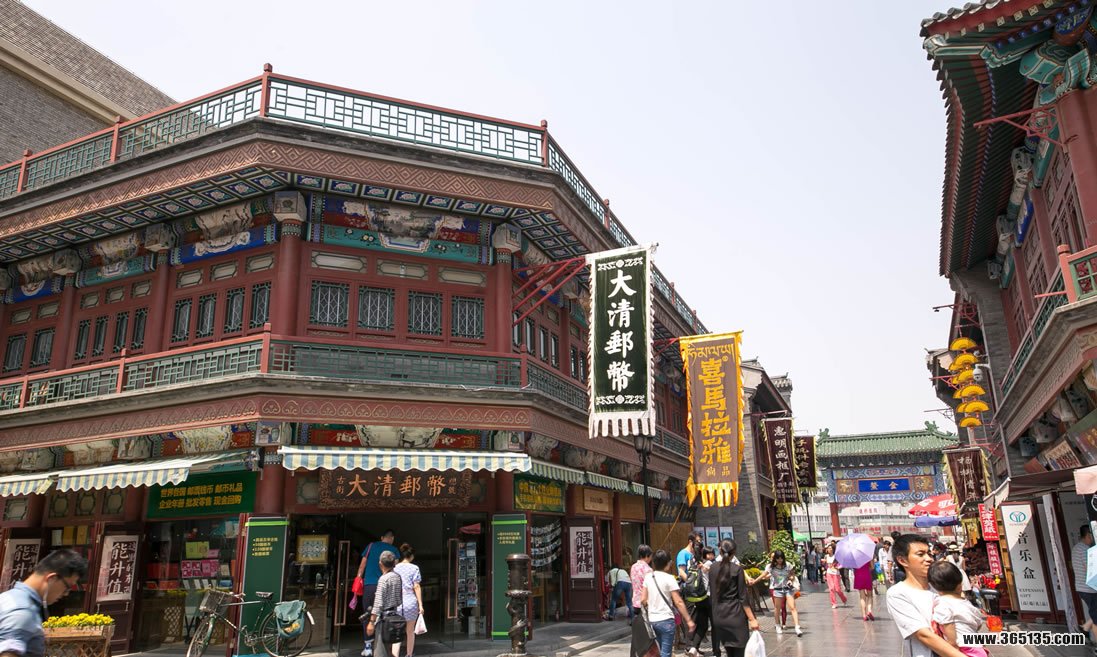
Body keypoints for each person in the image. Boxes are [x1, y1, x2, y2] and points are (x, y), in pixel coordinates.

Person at [885, 534, 966, 657]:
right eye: (920, 554)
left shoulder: (940, 586)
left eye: (929, 553)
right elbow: (924, 635)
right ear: (902, 560)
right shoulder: (897, 593)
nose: (929, 559)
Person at [0, 550, 87, 657]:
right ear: (51, 578)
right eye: (67, 587)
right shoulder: (23, 612)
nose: (66, 594)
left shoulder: (7, 598)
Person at [709, 539, 760, 657]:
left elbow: (713, 593)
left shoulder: (713, 568)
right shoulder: (737, 569)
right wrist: (752, 619)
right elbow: (743, 597)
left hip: (719, 617)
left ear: (720, 550)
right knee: (739, 652)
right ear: (734, 552)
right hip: (735, 616)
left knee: (729, 651)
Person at [928, 560, 988, 657]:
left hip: (963, 650)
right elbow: (978, 624)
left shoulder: (943, 605)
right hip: (977, 648)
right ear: (960, 583)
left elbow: (951, 638)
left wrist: (953, 650)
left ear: (934, 585)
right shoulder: (967, 604)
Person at [641, 550, 695, 657]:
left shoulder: (648, 577)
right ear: (668, 563)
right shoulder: (670, 578)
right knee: (665, 653)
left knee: (658, 652)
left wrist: (652, 604)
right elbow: (678, 602)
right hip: (666, 620)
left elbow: (643, 599)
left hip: (652, 620)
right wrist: (689, 620)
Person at [357, 530, 401, 657]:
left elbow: (362, 566)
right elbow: (396, 569)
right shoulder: (394, 550)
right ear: (392, 538)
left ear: (382, 537)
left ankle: (368, 646)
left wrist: (358, 578)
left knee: (368, 614)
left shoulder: (370, 546)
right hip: (387, 585)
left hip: (369, 585)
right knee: (386, 615)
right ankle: (382, 645)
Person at [749, 550, 801, 636]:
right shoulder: (771, 567)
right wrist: (755, 581)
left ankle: (797, 627)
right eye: (778, 558)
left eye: (781, 558)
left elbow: (792, 574)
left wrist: (790, 579)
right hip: (777, 589)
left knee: (792, 607)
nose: (780, 560)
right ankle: (777, 625)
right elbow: (764, 574)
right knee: (777, 608)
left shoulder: (787, 565)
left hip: (787, 588)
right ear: (775, 559)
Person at [365, 552, 403, 657]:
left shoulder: (383, 579)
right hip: (394, 617)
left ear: (380, 563)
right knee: (388, 650)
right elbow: (399, 600)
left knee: (380, 652)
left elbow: (378, 603)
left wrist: (371, 622)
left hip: (383, 619)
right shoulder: (397, 577)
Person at [683, 545, 716, 657]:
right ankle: (694, 647)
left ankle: (691, 647)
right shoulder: (708, 563)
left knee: (695, 623)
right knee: (705, 625)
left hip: (693, 596)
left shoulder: (691, 562)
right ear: (703, 553)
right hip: (705, 597)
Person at [392, 543, 423, 657]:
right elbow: (416, 586)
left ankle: (395, 655)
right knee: (410, 631)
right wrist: (420, 605)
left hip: (397, 602)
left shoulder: (395, 568)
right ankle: (409, 654)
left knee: (397, 632)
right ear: (412, 556)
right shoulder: (414, 568)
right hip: (410, 602)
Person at [629, 545, 655, 657]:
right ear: (647, 556)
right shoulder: (648, 570)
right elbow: (651, 588)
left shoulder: (633, 567)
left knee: (637, 631)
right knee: (647, 633)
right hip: (645, 603)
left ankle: (634, 653)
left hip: (635, 602)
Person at [1072, 524, 1097, 639]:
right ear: (1088, 535)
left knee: (1095, 613)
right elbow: (1090, 569)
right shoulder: (1086, 550)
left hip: (1082, 587)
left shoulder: (1076, 548)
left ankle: (1085, 627)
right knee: (1096, 617)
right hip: (1089, 589)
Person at [823, 543, 847, 608]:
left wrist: (838, 567)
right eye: (828, 548)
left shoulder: (836, 556)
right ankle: (834, 603)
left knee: (837, 589)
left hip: (836, 574)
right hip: (829, 573)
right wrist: (824, 565)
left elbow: (842, 564)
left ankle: (844, 599)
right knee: (831, 589)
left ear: (833, 549)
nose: (829, 549)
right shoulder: (826, 556)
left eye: (830, 548)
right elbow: (825, 565)